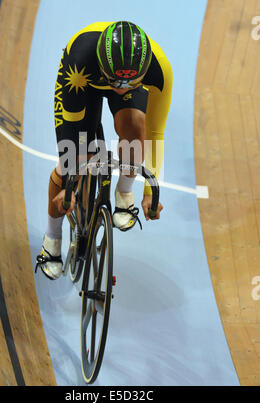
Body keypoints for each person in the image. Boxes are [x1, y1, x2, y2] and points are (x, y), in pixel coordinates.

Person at [36, 21, 173, 280]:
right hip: (82, 82)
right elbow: (69, 133)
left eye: (128, 83)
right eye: (116, 82)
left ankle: (124, 193)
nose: (121, 88)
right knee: (75, 157)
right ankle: (51, 239)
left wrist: (149, 193)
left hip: (118, 78)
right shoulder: (80, 58)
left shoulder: (160, 70)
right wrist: (68, 182)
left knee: (135, 129)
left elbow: (155, 134)